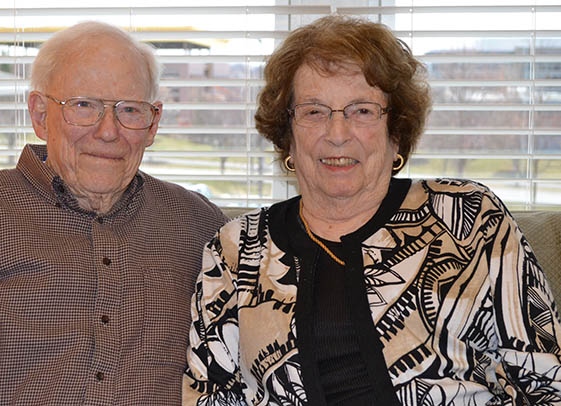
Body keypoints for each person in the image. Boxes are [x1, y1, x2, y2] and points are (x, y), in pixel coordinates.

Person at [183, 14, 561, 406]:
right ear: (288, 135)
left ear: (395, 131)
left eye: (361, 111)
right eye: (314, 111)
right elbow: (209, 394)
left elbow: (545, 378)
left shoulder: (470, 217)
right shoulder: (236, 248)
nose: (337, 133)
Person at [0, 21, 228, 405]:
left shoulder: (199, 227)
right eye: (84, 105)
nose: (108, 131)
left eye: (130, 110)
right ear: (40, 114)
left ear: (153, 123)